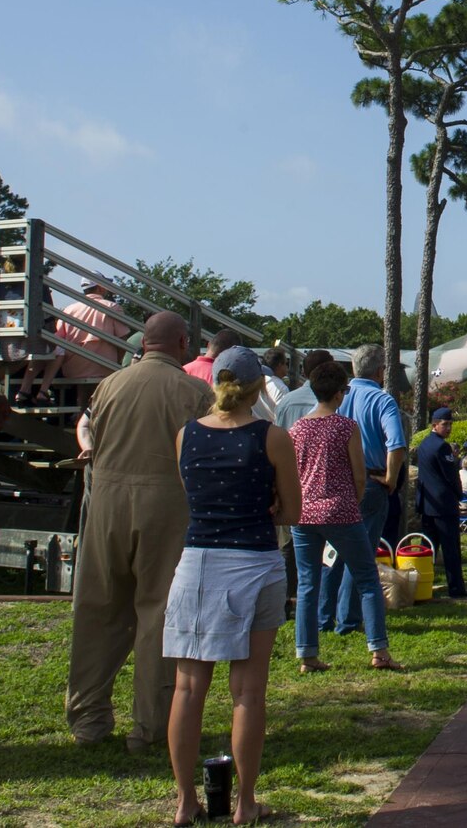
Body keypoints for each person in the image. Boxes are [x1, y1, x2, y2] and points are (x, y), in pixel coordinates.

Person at [164, 346, 302, 827]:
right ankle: (245, 803)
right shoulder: (272, 437)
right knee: (247, 693)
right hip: (255, 563)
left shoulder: (187, 436)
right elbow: (292, 511)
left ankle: (185, 802)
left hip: (198, 561)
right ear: (258, 386)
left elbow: (194, 496)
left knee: (187, 687)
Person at [65, 311, 209, 753]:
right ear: (183, 343)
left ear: (142, 343)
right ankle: (149, 727)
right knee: (159, 615)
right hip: (167, 506)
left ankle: (88, 718)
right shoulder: (195, 392)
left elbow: (88, 430)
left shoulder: (109, 384)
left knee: (97, 608)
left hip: (107, 504)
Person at [287, 361, 397, 674]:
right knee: (366, 579)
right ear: (339, 394)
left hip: (305, 512)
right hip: (341, 510)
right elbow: (359, 475)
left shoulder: (297, 429)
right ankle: (379, 649)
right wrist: (354, 499)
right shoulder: (345, 427)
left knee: (308, 582)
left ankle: (307, 654)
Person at [322, 348, 407, 636]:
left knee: (333, 552)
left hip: (335, 481)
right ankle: (347, 619)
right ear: (381, 370)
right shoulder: (382, 400)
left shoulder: (338, 397)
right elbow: (396, 444)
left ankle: (323, 616)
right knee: (360, 554)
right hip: (370, 481)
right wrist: (391, 478)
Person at [37, 277, 125, 407]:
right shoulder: (113, 307)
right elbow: (122, 339)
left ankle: (80, 418)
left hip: (73, 367)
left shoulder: (69, 309)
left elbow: (59, 337)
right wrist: (118, 362)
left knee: (84, 398)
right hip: (105, 366)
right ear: (100, 287)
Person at [414, 407, 467, 596]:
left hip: (428, 503)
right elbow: (450, 476)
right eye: (445, 424)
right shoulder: (442, 447)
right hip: (444, 505)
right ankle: (456, 588)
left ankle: (420, 584)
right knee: (451, 549)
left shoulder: (424, 445)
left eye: (450, 424)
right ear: (434, 425)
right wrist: (458, 494)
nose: (448, 428)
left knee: (427, 548)